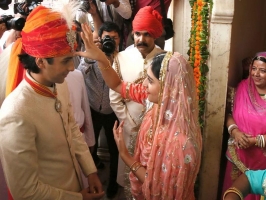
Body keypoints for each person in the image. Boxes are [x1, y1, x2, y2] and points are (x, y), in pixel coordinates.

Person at [76, 23, 202, 199]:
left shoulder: (181, 144)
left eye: (149, 81)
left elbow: (157, 187)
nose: (143, 85)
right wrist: (101, 59)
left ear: (167, 87)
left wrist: (125, 156)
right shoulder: (156, 101)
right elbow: (118, 84)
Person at [0, 4, 105, 200]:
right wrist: (78, 198)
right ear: (40, 62)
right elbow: (25, 191)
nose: (72, 67)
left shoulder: (59, 84)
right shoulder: (16, 113)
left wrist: (90, 171)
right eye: (65, 60)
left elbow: (72, 128)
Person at [109, 6, 164, 193]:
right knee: (128, 177)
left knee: (151, 176)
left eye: (147, 34)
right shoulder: (122, 57)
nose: (141, 39)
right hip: (128, 125)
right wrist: (128, 122)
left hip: (156, 128)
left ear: (155, 35)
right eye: (137, 34)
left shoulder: (164, 59)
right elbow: (115, 96)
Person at [77, 21, 120, 198]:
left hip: (113, 113)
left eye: (115, 38)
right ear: (100, 40)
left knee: (115, 150)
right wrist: (90, 57)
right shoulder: (90, 56)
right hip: (92, 110)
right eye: (106, 38)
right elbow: (79, 74)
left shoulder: (122, 59)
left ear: (120, 41)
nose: (111, 41)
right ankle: (90, 179)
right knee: (88, 145)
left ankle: (113, 183)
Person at [223, 52, 266, 200]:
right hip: (238, 156)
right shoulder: (241, 88)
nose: (256, 74)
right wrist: (235, 132)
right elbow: (228, 114)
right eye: (254, 68)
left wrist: (255, 141)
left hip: (261, 162)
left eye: (262, 70)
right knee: (234, 192)